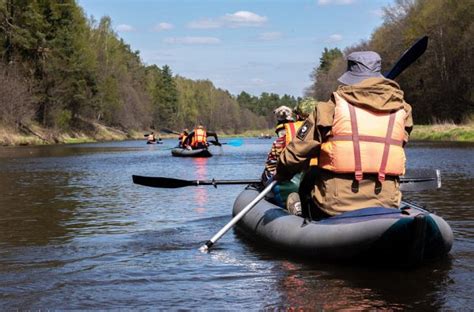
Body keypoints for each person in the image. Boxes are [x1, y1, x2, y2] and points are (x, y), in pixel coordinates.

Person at [274, 51, 413, 220]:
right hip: (387, 202)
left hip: (334, 206)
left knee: (309, 177)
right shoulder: (404, 110)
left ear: (351, 76)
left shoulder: (328, 108)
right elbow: (397, 144)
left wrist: (282, 174)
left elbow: (293, 155)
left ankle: (301, 216)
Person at [261, 105, 310, 212]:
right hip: (312, 180)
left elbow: (271, 166)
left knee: (268, 177)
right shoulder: (325, 135)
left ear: (297, 116)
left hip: (288, 180)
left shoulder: (281, 140)